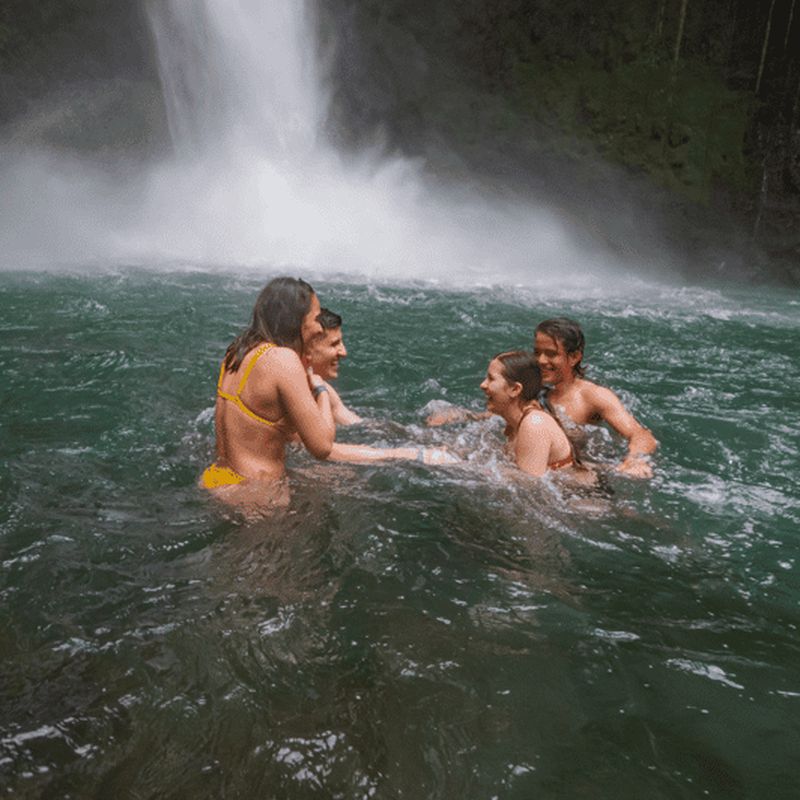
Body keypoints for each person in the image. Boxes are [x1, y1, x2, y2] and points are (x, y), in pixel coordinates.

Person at [199, 277, 335, 511]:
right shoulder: (283, 360)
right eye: (316, 317)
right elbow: (322, 446)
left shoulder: (237, 351)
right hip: (255, 495)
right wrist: (322, 391)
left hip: (216, 479)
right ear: (296, 319)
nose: (320, 327)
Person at [533, 318, 657, 478]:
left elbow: (641, 435)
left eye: (551, 354)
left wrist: (635, 461)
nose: (541, 360)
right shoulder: (531, 390)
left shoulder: (592, 395)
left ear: (574, 357)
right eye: (537, 352)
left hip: (587, 481)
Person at [480, 351, 576, 477]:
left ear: (515, 389)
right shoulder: (514, 424)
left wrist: (463, 470)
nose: (483, 385)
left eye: (491, 378)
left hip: (579, 494)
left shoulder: (534, 423)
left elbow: (529, 487)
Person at [303, 308, 363, 426]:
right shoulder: (290, 389)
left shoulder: (320, 385)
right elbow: (321, 444)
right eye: (334, 344)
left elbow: (358, 424)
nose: (344, 352)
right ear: (307, 349)